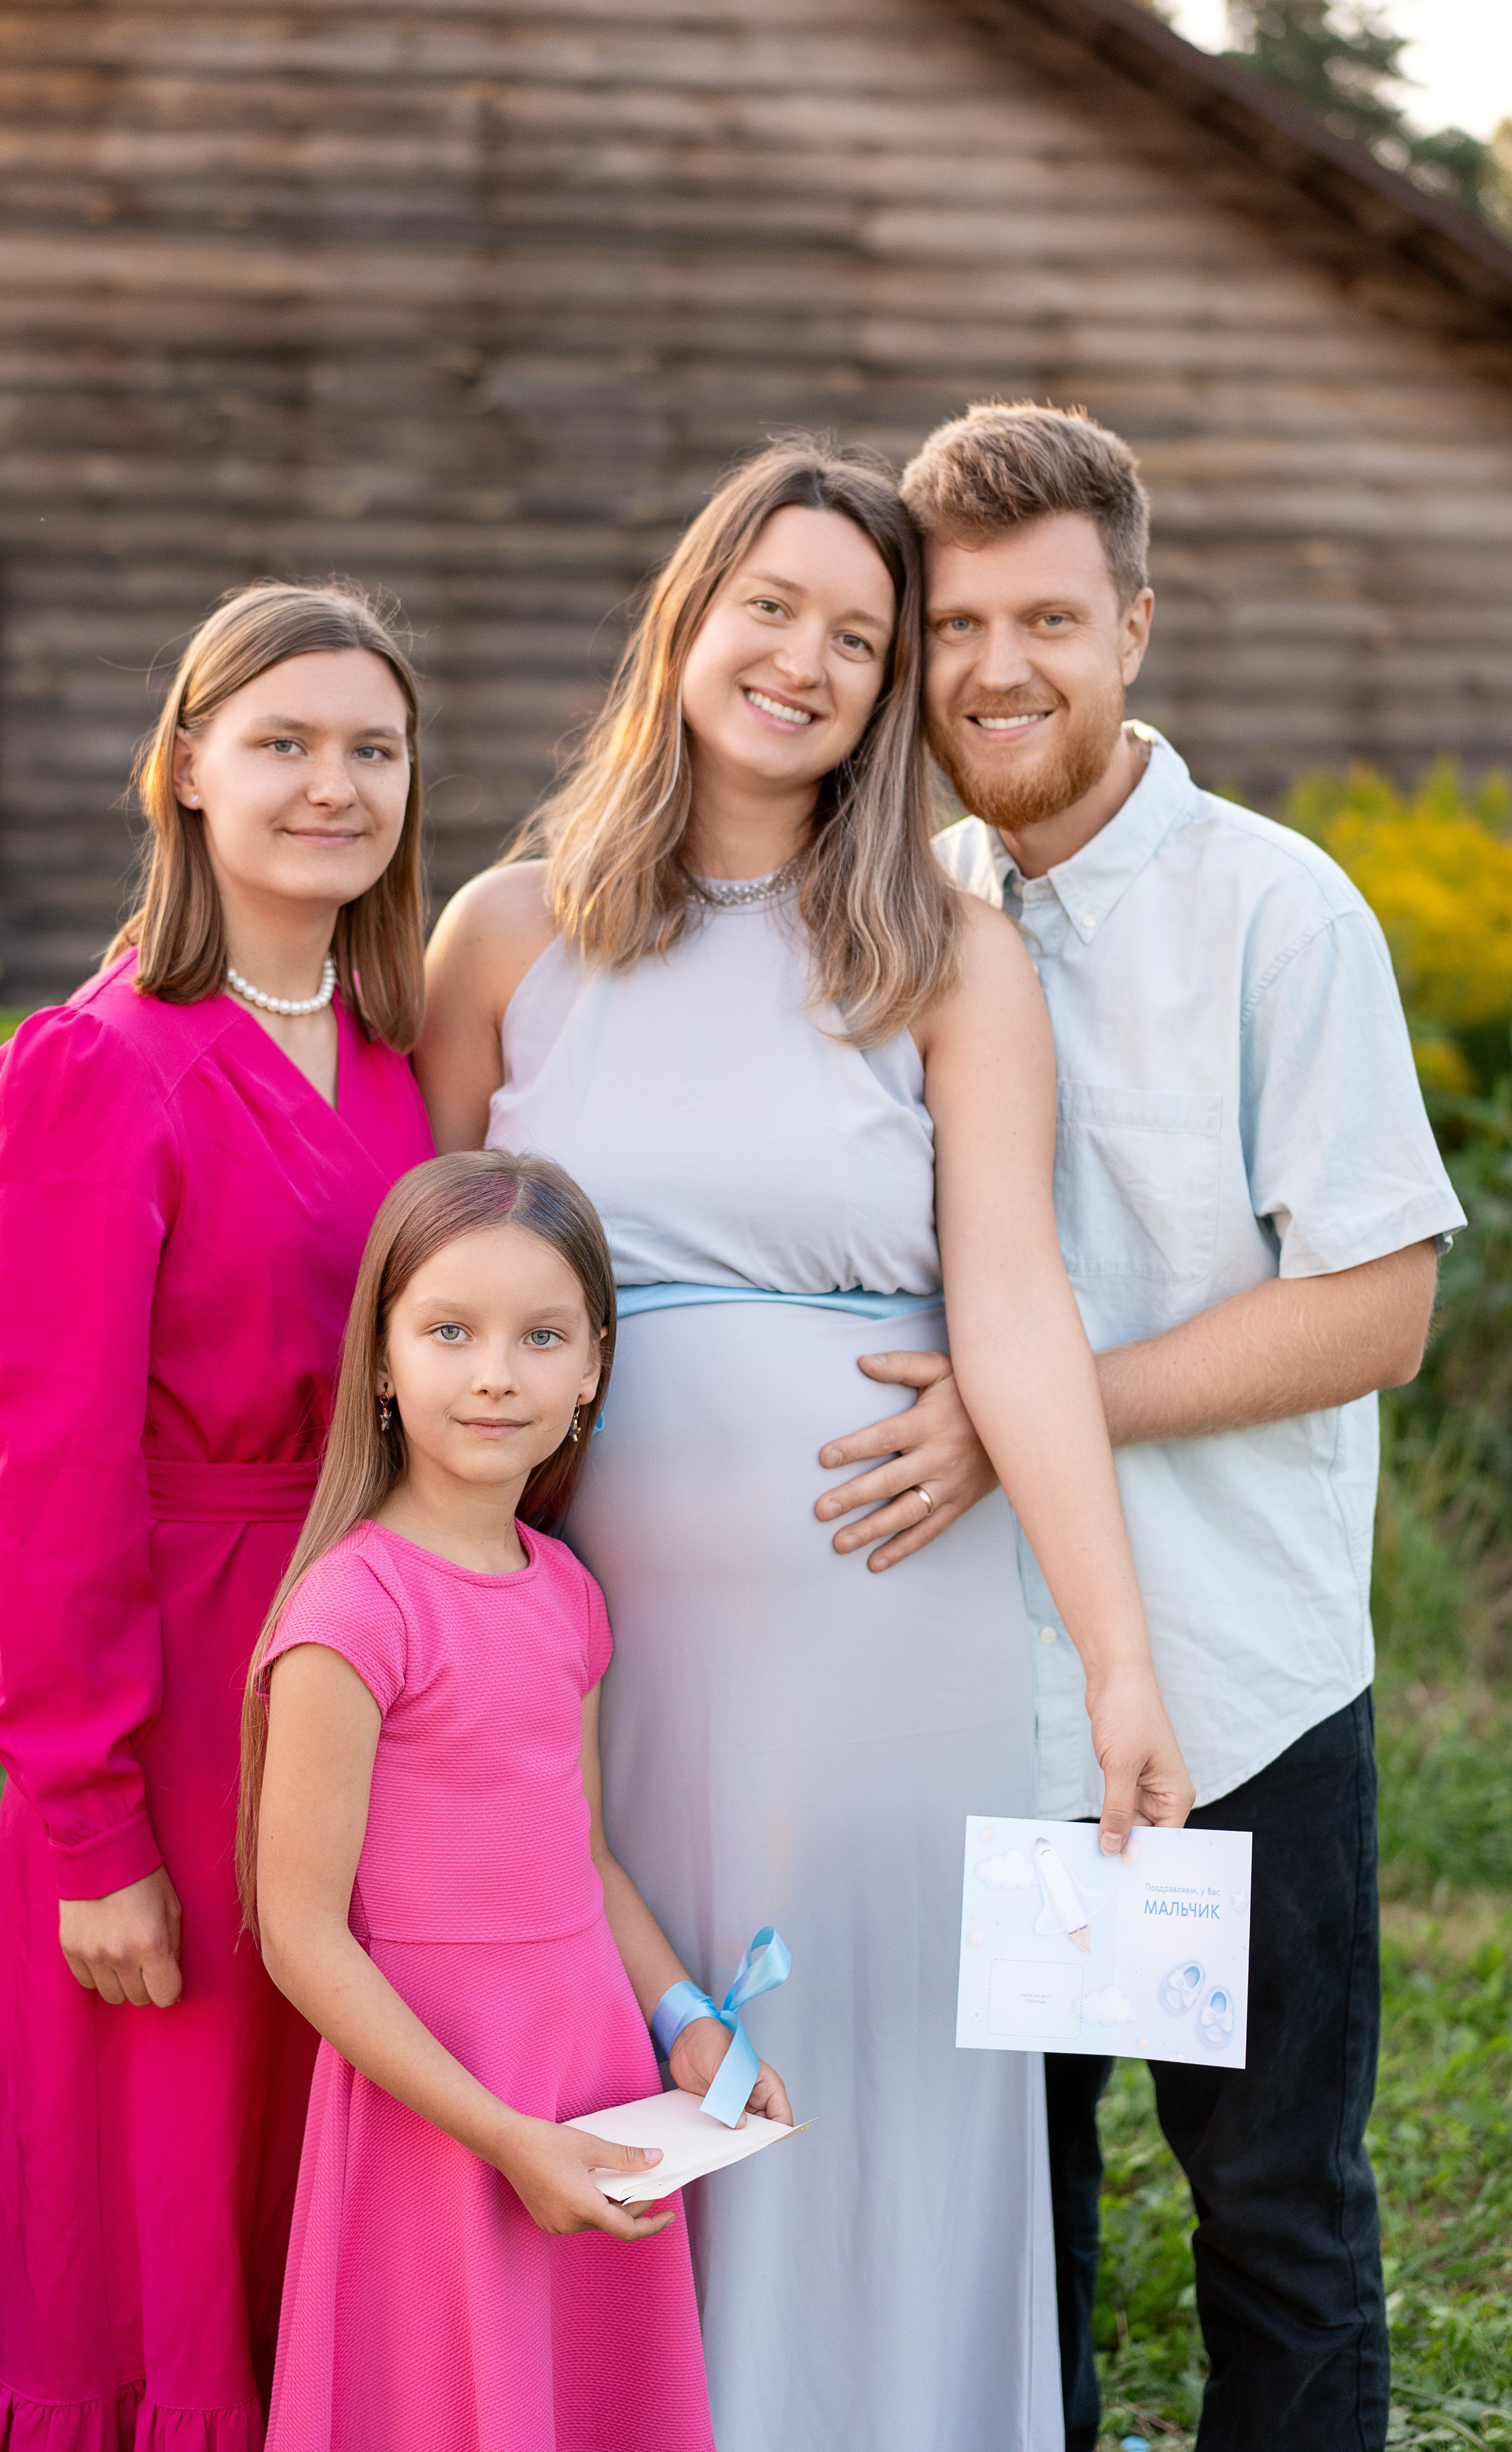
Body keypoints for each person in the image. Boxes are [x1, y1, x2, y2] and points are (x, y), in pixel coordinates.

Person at [416, 439, 1192, 2452]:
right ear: (689, 616)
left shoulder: (945, 960)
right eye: (773, 605)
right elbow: (423, 1299)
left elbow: (1015, 1307)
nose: (810, 660)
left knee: (863, 2084)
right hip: (584, 1647)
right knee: (615, 2046)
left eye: (864, 637)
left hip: (886, 1637)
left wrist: (1117, 1659)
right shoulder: (509, 938)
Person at [834, 400, 1464, 2451]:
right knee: (997, 2235)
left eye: (1049, 620)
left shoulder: (1277, 916)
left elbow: (1379, 1309)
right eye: (952, 626)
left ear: (1137, 630)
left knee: (1274, 2218)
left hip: (1228, 1689)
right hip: (939, 1691)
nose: (997, 669)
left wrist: (1036, 1415)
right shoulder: (881, 916)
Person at [0, 584, 437, 2452]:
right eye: (283, 742)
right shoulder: (98, 1065)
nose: (330, 785)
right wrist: (91, 1820)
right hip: (178, 1686)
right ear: (188, 767)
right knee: (163, 2194)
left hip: (364, 1668)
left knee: (325, 2162)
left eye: (371, 747)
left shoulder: (399, 1055)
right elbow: (50, 1468)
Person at [243, 1149, 789, 2452]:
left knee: (581, 2390)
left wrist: (688, 2027)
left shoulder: (565, 1591)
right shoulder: (351, 1611)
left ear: (593, 1363)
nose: (495, 1374)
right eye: (449, 1332)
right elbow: (301, 1937)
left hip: (588, 2071)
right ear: (381, 1359)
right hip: (443, 2098)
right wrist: (501, 2136)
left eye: (540, 1337)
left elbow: (585, 1861)